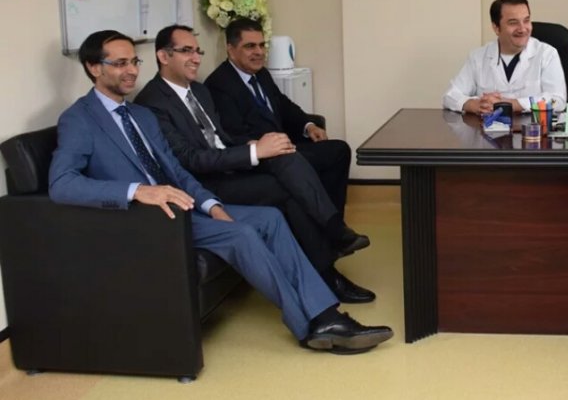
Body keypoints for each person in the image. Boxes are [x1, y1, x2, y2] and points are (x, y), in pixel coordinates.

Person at [49, 30, 393, 353]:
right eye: (120, 63)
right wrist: (137, 191)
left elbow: (176, 171)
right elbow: (62, 183)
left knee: (271, 218)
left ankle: (326, 310)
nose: (131, 71)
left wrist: (211, 204)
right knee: (242, 233)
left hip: (183, 208)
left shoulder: (140, 115)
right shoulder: (79, 119)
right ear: (94, 68)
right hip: (146, 218)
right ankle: (314, 323)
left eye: (134, 62)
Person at [135, 24, 374, 304]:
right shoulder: (151, 102)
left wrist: (254, 147)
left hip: (231, 165)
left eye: (197, 51)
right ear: (164, 56)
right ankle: (328, 273)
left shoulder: (198, 91)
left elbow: (222, 138)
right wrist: (253, 151)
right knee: (285, 189)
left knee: (286, 156)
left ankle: (333, 231)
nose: (196, 58)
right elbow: (189, 159)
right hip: (206, 184)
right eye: (186, 51)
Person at [204, 18, 356, 242]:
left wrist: (308, 125)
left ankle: (333, 225)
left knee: (338, 151)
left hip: (284, 147)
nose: (259, 52)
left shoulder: (261, 74)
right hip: (261, 158)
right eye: (250, 46)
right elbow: (233, 135)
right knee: (294, 161)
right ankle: (332, 229)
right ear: (231, 49)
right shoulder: (219, 85)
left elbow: (283, 105)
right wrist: (268, 147)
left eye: (261, 45)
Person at [442, 0, 566, 115]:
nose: (522, 29)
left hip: (533, 127)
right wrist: (475, 105)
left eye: (526, 21)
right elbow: (449, 96)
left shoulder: (547, 54)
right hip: (488, 127)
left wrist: (512, 104)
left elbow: (557, 100)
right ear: (496, 28)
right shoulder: (478, 57)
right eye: (513, 23)